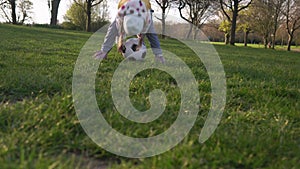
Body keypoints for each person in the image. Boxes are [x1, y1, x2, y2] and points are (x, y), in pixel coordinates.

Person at [94, 0, 165, 63]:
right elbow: (113, 31)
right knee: (113, 28)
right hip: (125, 6)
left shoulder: (147, 18)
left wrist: (158, 54)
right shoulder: (121, 14)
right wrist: (105, 50)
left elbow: (151, 35)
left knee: (151, 34)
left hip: (145, 8)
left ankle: (155, 55)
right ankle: (104, 52)